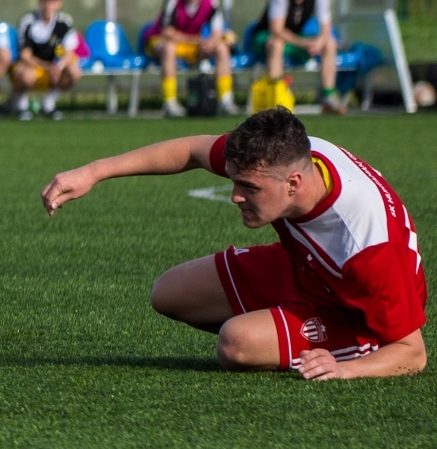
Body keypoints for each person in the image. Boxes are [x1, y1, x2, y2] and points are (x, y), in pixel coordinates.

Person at [41, 108, 425, 380]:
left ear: (293, 183)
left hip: (355, 307)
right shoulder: (284, 156)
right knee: (169, 293)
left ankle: (350, 342)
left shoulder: (368, 245)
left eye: (249, 188)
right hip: (304, 265)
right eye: (234, 181)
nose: (235, 196)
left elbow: (412, 353)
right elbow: (193, 150)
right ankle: (284, 328)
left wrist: (346, 369)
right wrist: (94, 172)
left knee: (237, 344)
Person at [250, 0, 345, 115]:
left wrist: (318, 43)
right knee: (276, 44)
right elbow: (276, 30)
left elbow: (326, 28)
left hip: (293, 40)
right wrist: (304, 43)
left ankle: (328, 96)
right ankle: (276, 101)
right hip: (264, 38)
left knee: (330, 43)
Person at [148, 0, 238, 117]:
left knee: (222, 48)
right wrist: (196, 40)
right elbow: (167, 31)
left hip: (190, 45)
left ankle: (225, 100)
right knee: (169, 48)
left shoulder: (211, 0)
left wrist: (210, 43)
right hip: (160, 41)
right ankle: (170, 102)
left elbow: (217, 30)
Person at [11, 0, 79, 120]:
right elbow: (25, 56)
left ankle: (48, 102)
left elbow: (69, 53)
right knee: (26, 75)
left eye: (52, 0)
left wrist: (59, 66)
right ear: (39, 1)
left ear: (59, 2)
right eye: (45, 0)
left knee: (74, 72)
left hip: (53, 70)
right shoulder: (28, 21)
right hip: (32, 67)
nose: (48, 5)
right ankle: (20, 104)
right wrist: (47, 66)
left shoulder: (64, 22)